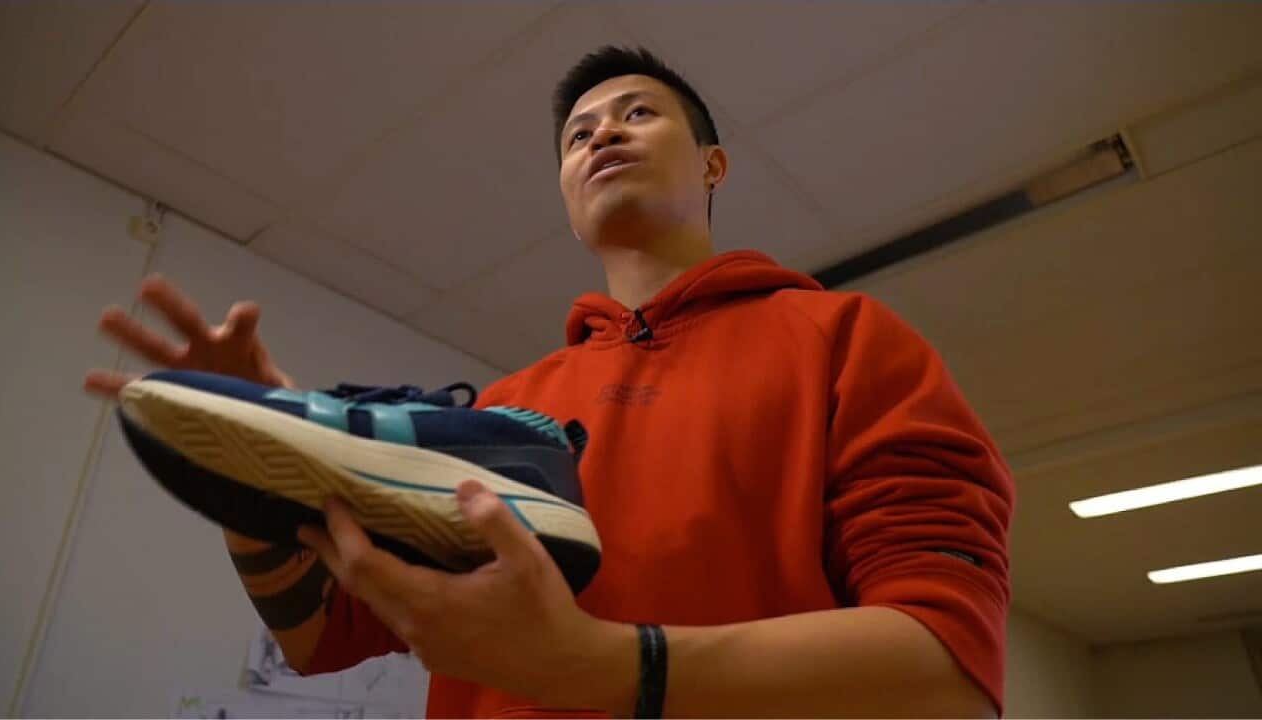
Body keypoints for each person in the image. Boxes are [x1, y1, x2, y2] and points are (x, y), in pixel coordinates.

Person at [86, 46, 1013, 718]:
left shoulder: (847, 340)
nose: (603, 130)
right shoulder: (502, 410)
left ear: (714, 165)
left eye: (638, 112)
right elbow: (321, 640)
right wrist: (259, 479)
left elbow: (945, 670)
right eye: (578, 133)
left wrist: (614, 668)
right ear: (569, 200)